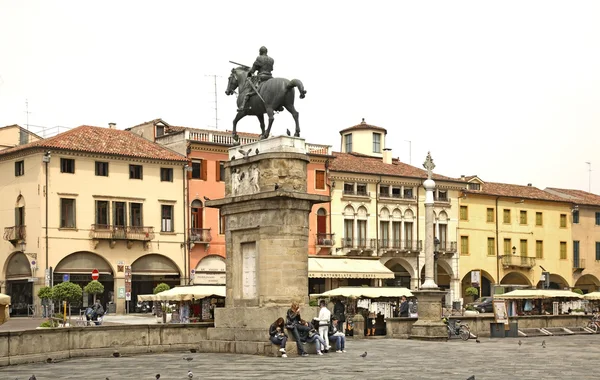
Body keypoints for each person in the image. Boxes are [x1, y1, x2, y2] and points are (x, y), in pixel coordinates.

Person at [238, 46, 274, 111]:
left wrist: (249, 72)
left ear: (260, 52)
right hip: (270, 78)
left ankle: (243, 105)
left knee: (249, 90)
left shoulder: (259, 58)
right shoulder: (271, 59)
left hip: (261, 77)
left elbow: (253, 70)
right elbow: (271, 69)